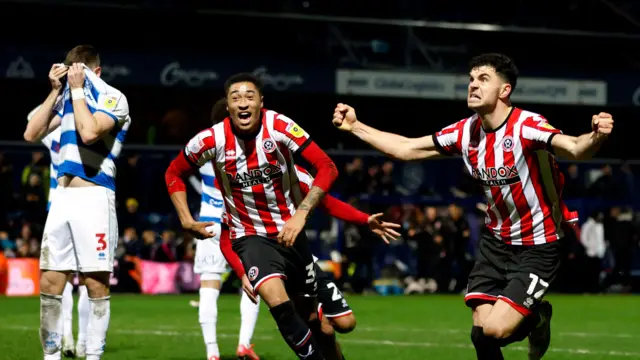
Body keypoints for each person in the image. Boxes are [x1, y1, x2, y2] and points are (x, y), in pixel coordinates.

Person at [332, 53, 614, 360]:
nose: (473, 85)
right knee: (481, 333)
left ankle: (537, 317)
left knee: (494, 330)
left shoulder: (527, 126)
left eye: (483, 79)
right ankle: (529, 316)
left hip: (539, 244)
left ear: (504, 91)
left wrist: (596, 136)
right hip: (496, 242)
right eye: (470, 79)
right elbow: (406, 148)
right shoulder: (466, 132)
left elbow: (575, 148)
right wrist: (356, 126)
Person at [165, 73, 338, 360]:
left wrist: (301, 214)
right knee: (275, 300)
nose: (243, 103)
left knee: (326, 323)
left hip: (290, 232)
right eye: (235, 98)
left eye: (249, 97)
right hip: (248, 235)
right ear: (228, 106)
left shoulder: (280, 127)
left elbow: (327, 167)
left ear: (261, 102)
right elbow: (174, 172)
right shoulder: (211, 140)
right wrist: (185, 218)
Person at [219, 163, 401, 360]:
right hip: (272, 263)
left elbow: (328, 203)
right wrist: (242, 273)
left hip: (303, 261)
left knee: (346, 323)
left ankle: (318, 317)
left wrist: (365, 220)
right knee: (321, 329)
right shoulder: (240, 185)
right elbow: (225, 237)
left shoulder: (298, 177)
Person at [24, 45, 131, 360]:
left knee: (95, 283)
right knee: (49, 282)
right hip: (62, 198)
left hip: (95, 197)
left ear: (94, 72)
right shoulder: (67, 100)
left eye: (78, 70)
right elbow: (31, 132)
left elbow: (89, 132)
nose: (73, 75)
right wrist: (56, 92)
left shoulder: (115, 98)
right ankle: (52, 357)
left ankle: (92, 355)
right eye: (69, 69)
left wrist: (77, 91)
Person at [27, 105, 91, 358]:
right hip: (84, 205)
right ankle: (77, 339)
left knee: (62, 274)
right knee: (85, 276)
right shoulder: (92, 130)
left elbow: (33, 118)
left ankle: (71, 337)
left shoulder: (56, 135)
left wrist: (57, 96)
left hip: (62, 205)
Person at [188, 160, 260, 360]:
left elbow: (180, 168)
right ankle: (244, 344)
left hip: (209, 224)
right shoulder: (246, 150)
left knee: (209, 283)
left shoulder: (206, 145)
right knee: (253, 281)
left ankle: (212, 352)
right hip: (240, 224)